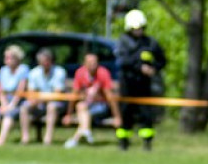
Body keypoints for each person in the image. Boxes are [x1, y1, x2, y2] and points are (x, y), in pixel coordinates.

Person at [115, 9, 167, 151]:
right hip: (127, 84)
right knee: (126, 113)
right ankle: (123, 142)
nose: (138, 31)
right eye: (135, 28)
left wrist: (153, 69)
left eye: (140, 28)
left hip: (144, 85)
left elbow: (162, 60)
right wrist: (139, 67)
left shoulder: (150, 43)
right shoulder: (123, 42)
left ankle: (147, 143)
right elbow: (122, 61)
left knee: (146, 114)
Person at [63, 52, 121, 148]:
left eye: (95, 62)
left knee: (83, 111)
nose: (92, 64)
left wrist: (117, 116)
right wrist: (68, 115)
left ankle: (77, 138)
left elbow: (110, 96)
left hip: (101, 106)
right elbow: (74, 95)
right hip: (86, 105)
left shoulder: (103, 73)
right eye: (90, 62)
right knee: (81, 107)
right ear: (84, 63)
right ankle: (85, 132)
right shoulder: (80, 73)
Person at [0, 45, 29, 146]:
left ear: (17, 58)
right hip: (6, 100)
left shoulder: (23, 69)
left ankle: (1, 139)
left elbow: (20, 91)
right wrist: (4, 104)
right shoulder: (3, 70)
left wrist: (11, 105)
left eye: (9, 57)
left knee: (8, 114)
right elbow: (0, 91)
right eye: (5, 57)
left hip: (18, 101)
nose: (6, 60)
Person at [20, 48, 68, 145]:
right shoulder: (34, 73)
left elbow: (57, 94)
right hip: (39, 103)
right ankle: (25, 138)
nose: (45, 63)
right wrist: (35, 99)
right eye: (42, 61)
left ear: (51, 60)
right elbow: (32, 92)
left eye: (47, 61)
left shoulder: (59, 72)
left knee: (51, 106)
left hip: (56, 103)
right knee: (24, 107)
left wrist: (40, 98)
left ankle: (48, 139)